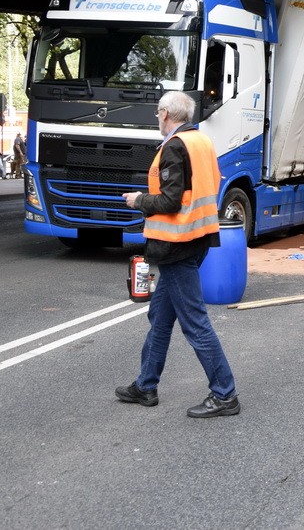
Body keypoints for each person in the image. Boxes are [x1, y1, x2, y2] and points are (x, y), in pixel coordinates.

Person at [117, 90, 240, 418]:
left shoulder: (173, 146)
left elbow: (170, 201)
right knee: (160, 317)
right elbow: (208, 185)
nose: (158, 118)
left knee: (195, 323)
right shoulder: (200, 140)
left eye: (158, 114)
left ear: (164, 114)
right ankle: (146, 385)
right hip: (197, 238)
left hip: (176, 245)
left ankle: (224, 394)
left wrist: (138, 200)